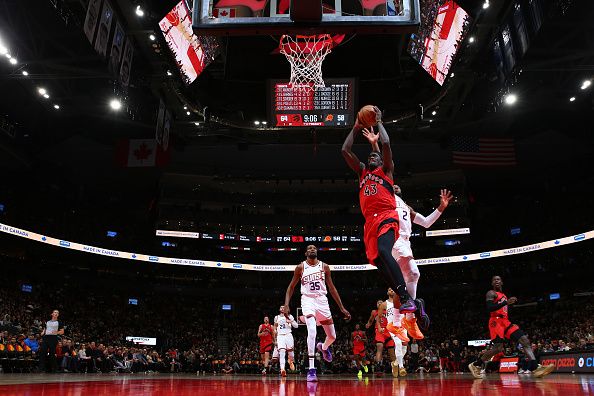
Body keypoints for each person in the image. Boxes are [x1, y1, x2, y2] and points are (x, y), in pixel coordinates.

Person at [364, 128, 453, 337]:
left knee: (411, 276)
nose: (394, 187)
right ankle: (403, 319)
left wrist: (441, 208)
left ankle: (403, 320)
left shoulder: (406, 207)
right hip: (390, 236)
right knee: (407, 277)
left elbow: (427, 223)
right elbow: (381, 168)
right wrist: (375, 145)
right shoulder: (383, 195)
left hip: (405, 241)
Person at [341, 107, 417, 314]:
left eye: (377, 157)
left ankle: (405, 298)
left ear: (383, 162)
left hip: (386, 216)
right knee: (379, 263)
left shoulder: (386, 171)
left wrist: (380, 121)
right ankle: (409, 298)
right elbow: (345, 151)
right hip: (369, 222)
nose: (373, 158)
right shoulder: (362, 172)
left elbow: (385, 143)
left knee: (385, 251)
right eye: (371, 157)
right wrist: (356, 127)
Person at [284, 245, 351, 382]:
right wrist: (286, 304)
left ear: (317, 251)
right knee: (312, 331)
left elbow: (332, 288)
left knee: (332, 336)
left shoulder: (324, 267)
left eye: (314, 248)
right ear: (305, 253)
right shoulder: (300, 267)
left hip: (322, 300)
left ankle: (324, 347)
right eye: (309, 248)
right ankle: (312, 369)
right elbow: (291, 287)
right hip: (307, 300)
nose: (312, 249)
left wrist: (342, 308)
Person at [468, 275, 555, 379]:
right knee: (498, 348)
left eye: (498, 279)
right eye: (494, 280)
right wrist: (506, 302)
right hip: (495, 321)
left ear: (502, 282)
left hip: (505, 321)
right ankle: (476, 364)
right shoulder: (491, 293)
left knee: (524, 340)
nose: (496, 281)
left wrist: (507, 304)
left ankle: (535, 367)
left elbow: (503, 310)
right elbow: (490, 308)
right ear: (492, 283)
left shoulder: (504, 295)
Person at [376, 288, 408, 377]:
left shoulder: (402, 300)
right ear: (387, 292)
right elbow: (378, 317)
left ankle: (395, 363)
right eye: (390, 289)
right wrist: (379, 327)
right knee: (398, 344)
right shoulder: (384, 304)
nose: (391, 290)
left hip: (403, 326)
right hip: (392, 327)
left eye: (393, 289)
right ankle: (401, 367)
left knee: (404, 348)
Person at [274, 305, 298, 377]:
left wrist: (290, 321)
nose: (282, 308)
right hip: (280, 336)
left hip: (288, 335)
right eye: (281, 307)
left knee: (291, 354)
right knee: (282, 352)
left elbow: (296, 326)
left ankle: (290, 362)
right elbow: (275, 327)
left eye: (284, 307)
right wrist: (275, 334)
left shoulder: (290, 316)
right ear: (279, 309)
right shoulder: (277, 317)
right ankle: (282, 369)